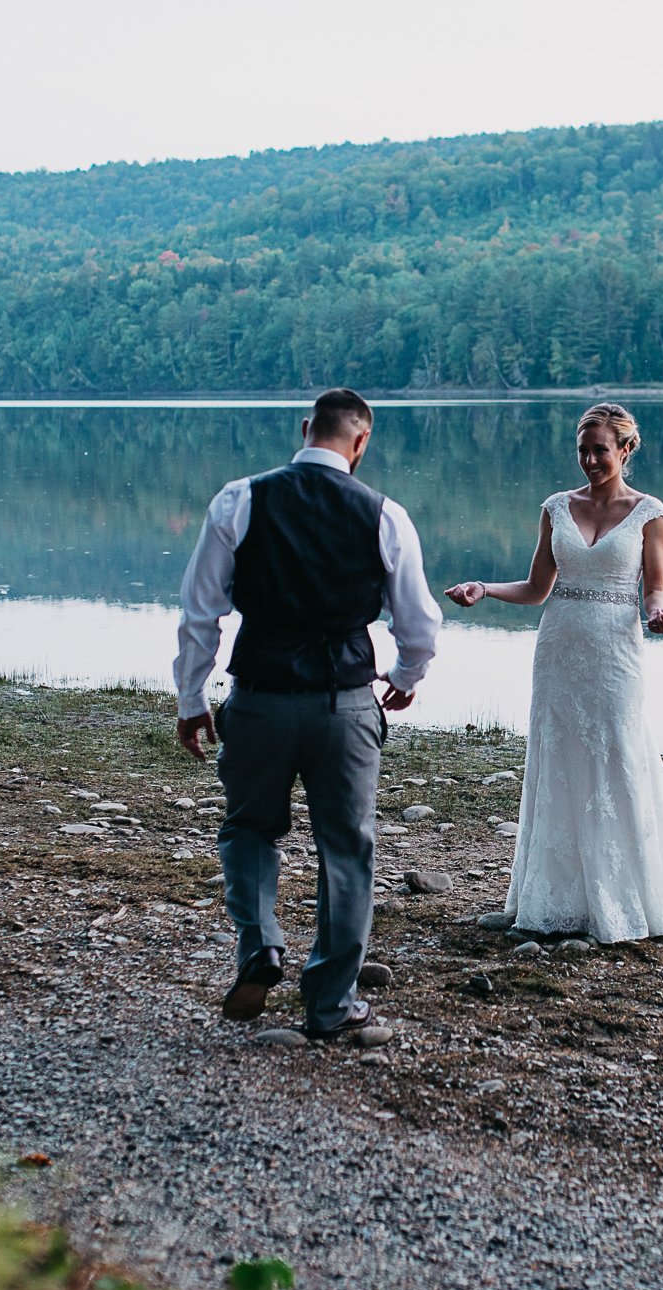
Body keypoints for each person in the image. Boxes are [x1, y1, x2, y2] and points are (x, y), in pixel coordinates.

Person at [445, 403, 663, 944]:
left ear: (625, 450)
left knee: (618, 752)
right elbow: (537, 588)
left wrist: (661, 609)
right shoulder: (555, 507)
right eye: (583, 450)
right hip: (559, 646)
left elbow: (655, 586)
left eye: (600, 450)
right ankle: (557, 895)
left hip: (615, 650)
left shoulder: (649, 513)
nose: (590, 460)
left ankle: (627, 893)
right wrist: (484, 588)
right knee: (556, 753)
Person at [173, 389, 441, 1037]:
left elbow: (199, 614)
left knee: (248, 829)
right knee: (346, 851)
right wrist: (404, 678)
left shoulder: (239, 499)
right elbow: (421, 625)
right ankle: (329, 1003)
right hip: (344, 705)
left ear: (304, 429)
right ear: (360, 442)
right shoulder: (385, 515)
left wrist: (191, 699)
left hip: (259, 698)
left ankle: (261, 943)